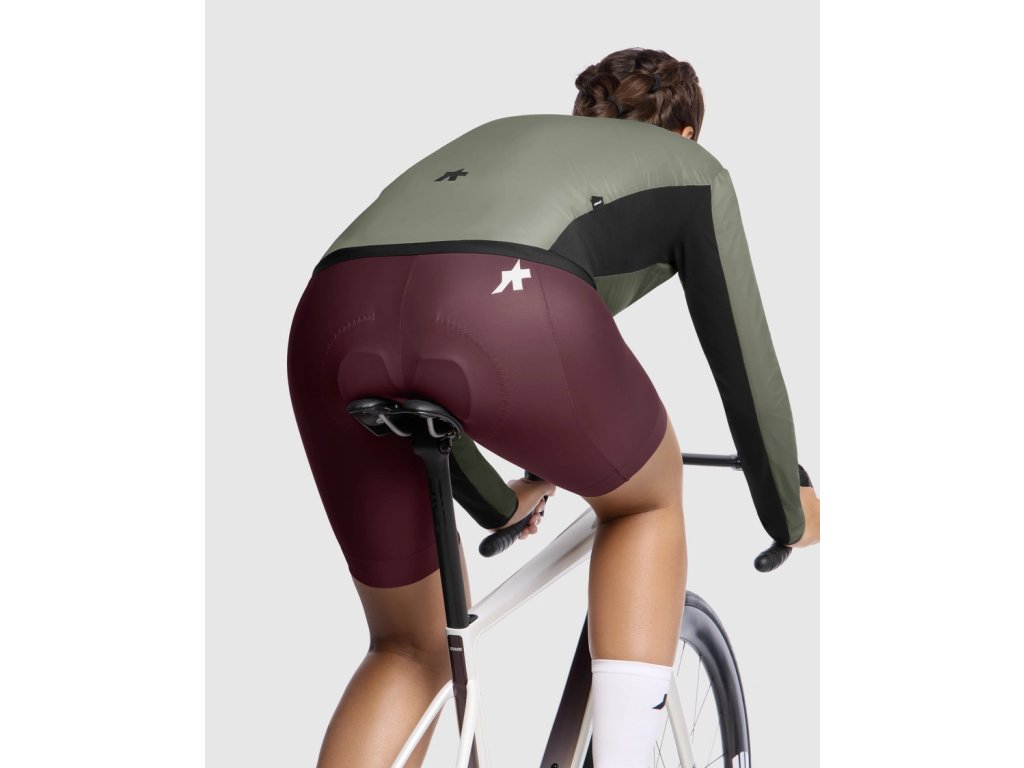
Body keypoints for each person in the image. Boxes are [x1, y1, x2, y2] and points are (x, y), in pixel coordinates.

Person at [287, 46, 820, 768]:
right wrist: (787, 508)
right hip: (507, 299)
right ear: (686, 133)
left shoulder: (505, 137)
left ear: (581, 116)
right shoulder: (694, 168)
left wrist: (501, 504)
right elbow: (743, 357)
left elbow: (423, 364)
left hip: (328, 316)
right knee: (646, 499)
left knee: (408, 646)